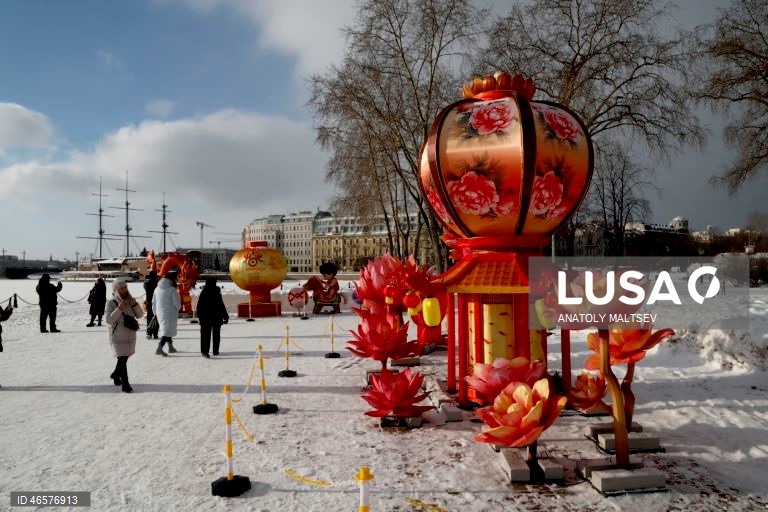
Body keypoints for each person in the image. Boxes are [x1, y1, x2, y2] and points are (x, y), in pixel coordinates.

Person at [105, 279, 144, 393]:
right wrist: (119, 309)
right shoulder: (111, 303)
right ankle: (125, 384)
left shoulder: (131, 300)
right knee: (122, 358)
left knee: (124, 359)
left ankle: (116, 375)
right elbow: (108, 320)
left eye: (125, 287)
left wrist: (135, 304)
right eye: (121, 288)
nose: (124, 290)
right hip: (117, 336)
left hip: (130, 335)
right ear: (116, 291)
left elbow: (140, 315)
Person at [196, 277, 229, 358]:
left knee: (205, 335)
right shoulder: (217, 292)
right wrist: (226, 316)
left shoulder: (203, 293)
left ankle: (205, 352)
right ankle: (215, 350)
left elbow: (199, 307)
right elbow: (221, 306)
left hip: (205, 318)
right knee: (216, 335)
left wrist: (200, 317)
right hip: (217, 317)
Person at [153, 269, 180, 356]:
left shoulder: (157, 289)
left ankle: (170, 347)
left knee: (166, 329)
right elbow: (176, 303)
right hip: (170, 313)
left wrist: (155, 312)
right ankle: (159, 348)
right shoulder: (172, 289)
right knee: (166, 331)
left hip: (160, 312)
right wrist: (178, 308)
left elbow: (153, 302)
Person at [144, 271, 159, 339]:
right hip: (157, 303)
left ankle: (149, 333)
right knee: (156, 318)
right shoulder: (158, 284)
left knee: (149, 318)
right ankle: (155, 333)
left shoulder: (147, 284)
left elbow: (144, 287)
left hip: (149, 303)